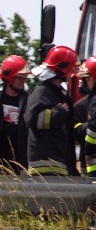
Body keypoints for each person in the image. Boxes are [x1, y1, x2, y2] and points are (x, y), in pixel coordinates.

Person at [24, 45, 78, 176]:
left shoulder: (60, 95)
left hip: (59, 164)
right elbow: (31, 118)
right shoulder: (41, 92)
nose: (73, 73)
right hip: (44, 165)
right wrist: (57, 112)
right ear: (63, 69)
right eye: (71, 69)